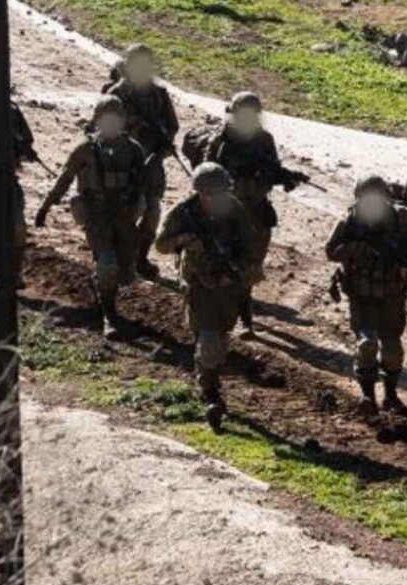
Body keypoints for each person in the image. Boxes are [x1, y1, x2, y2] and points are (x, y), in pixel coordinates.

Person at [185, 92, 305, 335]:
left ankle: (244, 314)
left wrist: (286, 176)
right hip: (227, 213)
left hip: (256, 211)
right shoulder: (221, 141)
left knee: (251, 264)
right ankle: (222, 313)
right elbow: (207, 173)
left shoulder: (264, 140)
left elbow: (273, 169)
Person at [33, 98, 152, 338]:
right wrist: (45, 207)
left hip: (124, 217)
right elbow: (65, 179)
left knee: (123, 271)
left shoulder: (133, 149)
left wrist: (141, 211)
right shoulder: (85, 149)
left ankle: (102, 287)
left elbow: (142, 184)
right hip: (97, 216)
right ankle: (110, 316)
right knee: (108, 264)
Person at [153, 164, 258, 430]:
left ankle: (209, 378)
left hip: (227, 284)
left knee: (221, 337)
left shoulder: (234, 209)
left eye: (221, 191)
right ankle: (210, 393)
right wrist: (185, 240)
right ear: (199, 191)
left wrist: (242, 270)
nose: (216, 197)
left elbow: (250, 245)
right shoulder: (184, 211)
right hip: (198, 283)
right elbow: (161, 244)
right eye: (210, 192)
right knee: (209, 339)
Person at [325, 175, 407, 415]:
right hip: (361, 294)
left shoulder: (401, 220)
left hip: (392, 294)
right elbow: (331, 250)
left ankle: (391, 396)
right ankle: (367, 396)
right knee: (367, 344)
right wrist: (357, 249)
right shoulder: (350, 220)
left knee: (392, 349)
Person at [104, 45, 179, 279]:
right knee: (125, 213)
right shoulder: (117, 95)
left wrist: (160, 152)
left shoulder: (159, 94)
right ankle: (119, 258)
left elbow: (172, 126)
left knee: (152, 213)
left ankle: (140, 259)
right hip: (123, 165)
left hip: (152, 165)